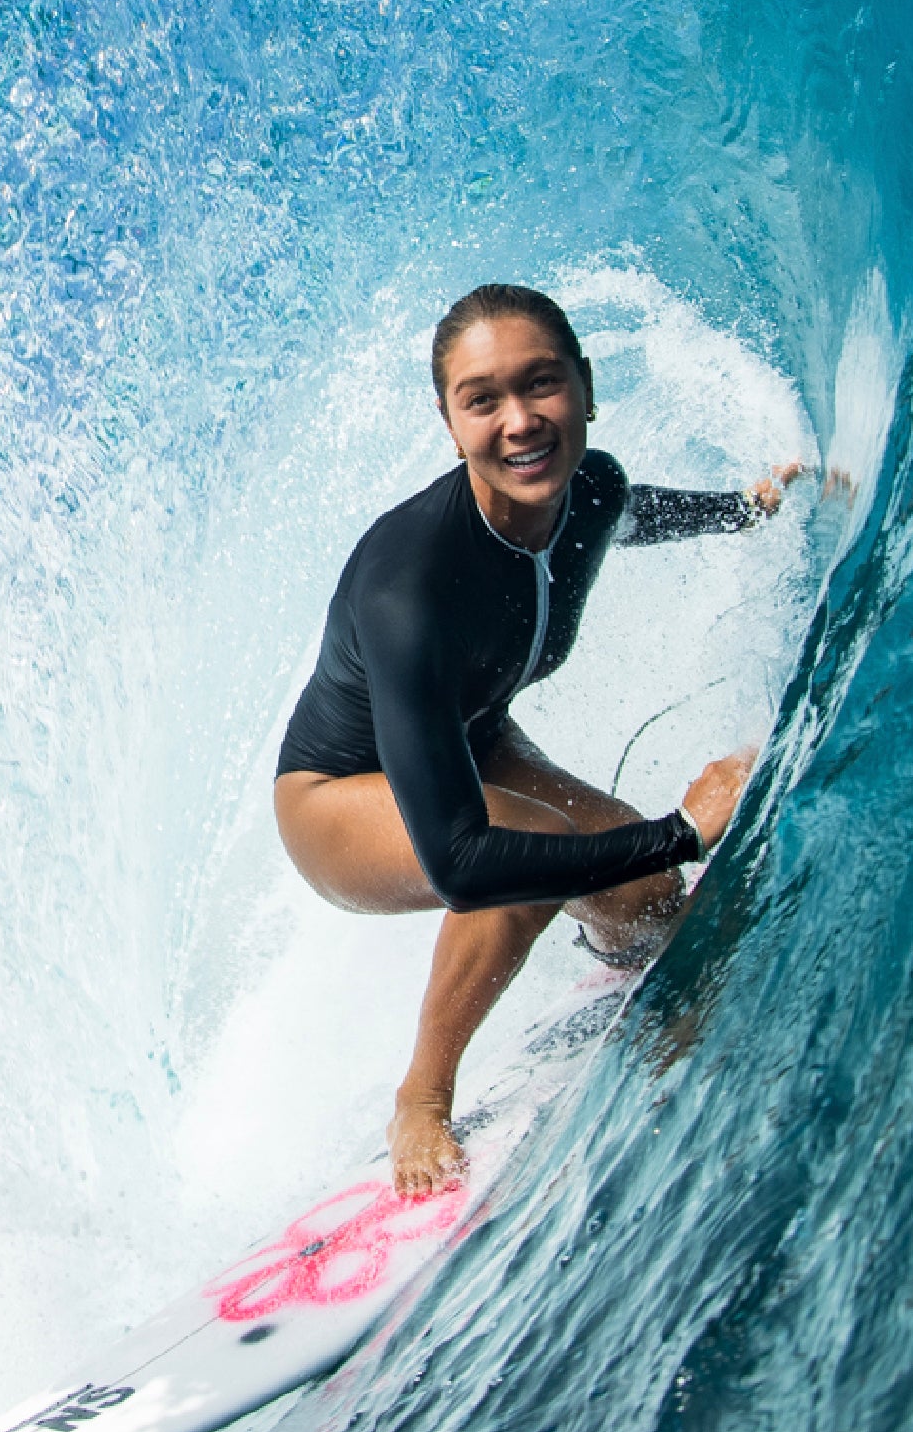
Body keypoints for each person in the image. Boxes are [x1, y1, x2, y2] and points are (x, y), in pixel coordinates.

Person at [273, 284, 801, 1195]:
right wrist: (686, 825)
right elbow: (460, 863)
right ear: (448, 421)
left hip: (475, 738)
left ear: (584, 389)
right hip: (334, 797)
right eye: (482, 399)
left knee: (640, 893)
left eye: (540, 384)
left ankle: (606, 960)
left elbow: (631, 515)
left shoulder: (589, 489)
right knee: (544, 850)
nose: (519, 421)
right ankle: (421, 1095)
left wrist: (745, 508)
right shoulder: (410, 584)